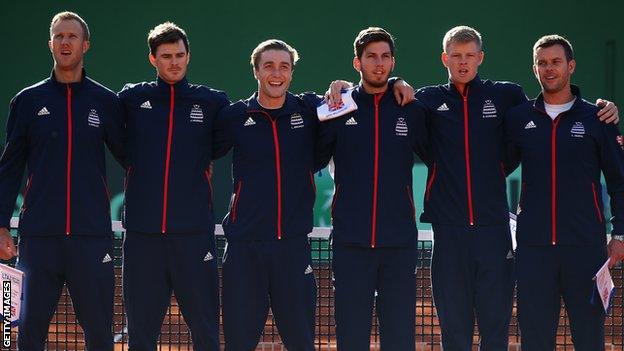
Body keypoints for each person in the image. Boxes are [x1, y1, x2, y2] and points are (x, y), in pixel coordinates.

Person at [0, 11, 124, 351]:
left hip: (91, 239)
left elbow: (132, 160)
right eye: (59, 36)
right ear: (50, 44)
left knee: (100, 335)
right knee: (25, 332)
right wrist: (0, 226)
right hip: (39, 240)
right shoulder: (27, 101)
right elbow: (9, 168)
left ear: (85, 45)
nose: (65, 42)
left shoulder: (106, 101)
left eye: (71, 36)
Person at [505, 34, 624, 351]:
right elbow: (494, 168)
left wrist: (620, 234)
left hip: (585, 249)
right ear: (534, 69)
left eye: (556, 62)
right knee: (535, 340)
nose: (549, 69)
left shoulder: (599, 118)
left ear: (570, 66)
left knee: (589, 339)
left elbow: (619, 179)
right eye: (542, 63)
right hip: (534, 251)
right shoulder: (519, 119)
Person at [317, 27, 429, 350]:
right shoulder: (338, 108)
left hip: (399, 244)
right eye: (371, 57)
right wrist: (336, 90)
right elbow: (310, 156)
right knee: (352, 338)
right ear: (357, 63)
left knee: (399, 338)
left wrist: (401, 85)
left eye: (385, 57)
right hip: (351, 244)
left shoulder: (411, 108)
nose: (378, 64)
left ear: (393, 63)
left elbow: (441, 156)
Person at [118, 22, 229, 351]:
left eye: (180, 55)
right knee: (141, 335)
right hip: (142, 238)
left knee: (206, 332)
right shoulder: (132, 99)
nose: (174, 62)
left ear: (189, 56)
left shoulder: (212, 103)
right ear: (153, 59)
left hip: (194, 237)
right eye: (166, 56)